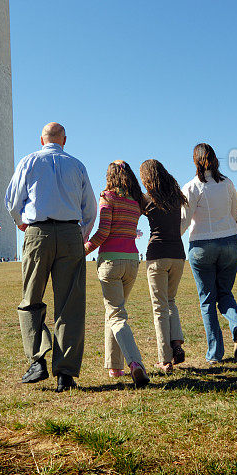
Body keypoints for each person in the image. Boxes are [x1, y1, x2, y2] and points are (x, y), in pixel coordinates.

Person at [5, 122, 97, 392]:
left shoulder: (29, 161)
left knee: (30, 300)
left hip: (38, 233)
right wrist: (79, 233)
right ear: (64, 140)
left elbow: (12, 200)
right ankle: (65, 374)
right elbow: (90, 208)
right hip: (70, 233)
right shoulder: (78, 165)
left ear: (41, 139)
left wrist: (22, 222)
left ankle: (38, 360)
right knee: (70, 305)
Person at [181, 144, 237, 364]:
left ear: (196, 161)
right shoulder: (227, 183)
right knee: (225, 293)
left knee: (207, 300)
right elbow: (236, 211)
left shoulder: (191, 187)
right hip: (229, 241)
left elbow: (184, 220)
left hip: (202, 244)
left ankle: (215, 353)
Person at [84, 161, 150, 388]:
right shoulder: (136, 201)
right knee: (113, 312)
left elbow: (103, 231)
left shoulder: (108, 197)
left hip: (111, 261)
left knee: (116, 315)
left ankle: (135, 363)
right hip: (132, 261)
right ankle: (115, 366)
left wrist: (84, 249)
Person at [139, 159, 187, 373]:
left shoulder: (148, 200)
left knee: (160, 307)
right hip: (178, 255)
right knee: (170, 301)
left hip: (157, 255)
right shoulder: (177, 197)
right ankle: (176, 343)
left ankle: (165, 359)